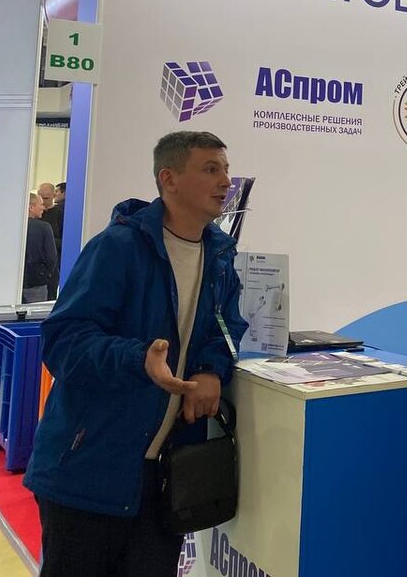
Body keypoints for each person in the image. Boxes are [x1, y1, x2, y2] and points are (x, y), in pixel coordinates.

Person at [23, 131, 248, 577]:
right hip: (90, 467)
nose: (226, 180)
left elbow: (228, 329)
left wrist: (211, 370)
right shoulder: (118, 248)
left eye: (225, 169)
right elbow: (63, 340)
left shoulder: (220, 258)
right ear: (169, 179)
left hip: (164, 481)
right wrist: (137, 359)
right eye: (210, 169)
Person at [24, 193, 59, 303]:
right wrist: (46, 275)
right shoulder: (44, 227)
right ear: (31, 207)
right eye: (41, 204)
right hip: (37, 284)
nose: (43, 208)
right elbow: (51, 258)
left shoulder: (12, 226)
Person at [42, 181, 67, 257]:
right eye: (40, 198)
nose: (42, 201)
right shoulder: (33, 214)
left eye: (46, 198)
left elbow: (65, 241)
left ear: (54, 195)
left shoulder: (61, 213)